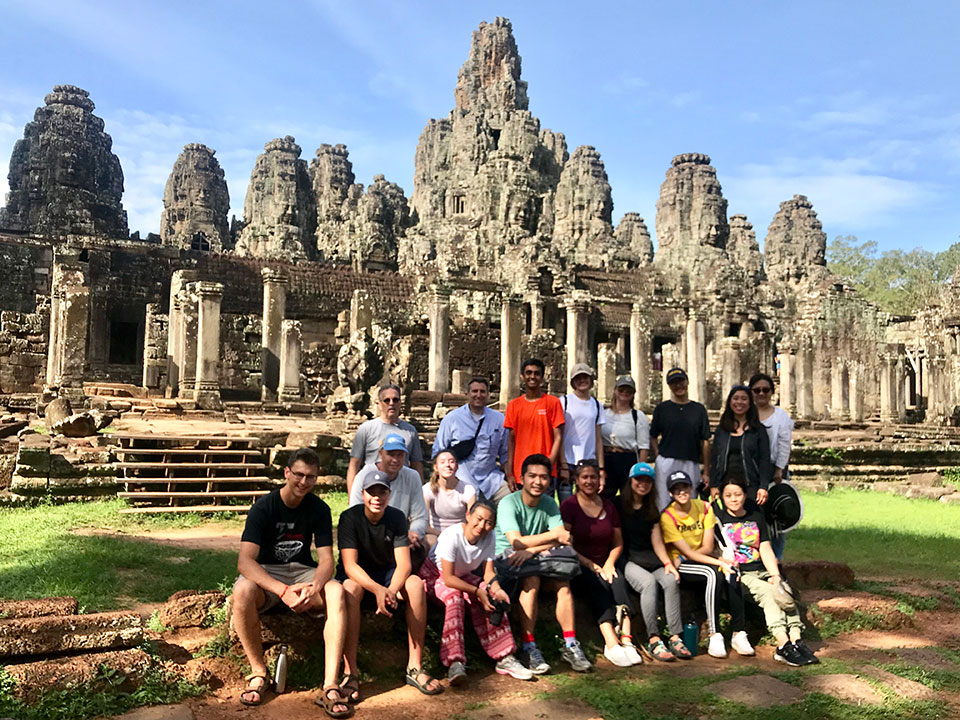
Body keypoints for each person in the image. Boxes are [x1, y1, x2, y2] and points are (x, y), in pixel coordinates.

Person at [232, 448, 351, 717]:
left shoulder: (319, 508)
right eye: (298, 474)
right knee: (242, 590)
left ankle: (331, 684)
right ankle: (258, 672)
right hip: (268, 573)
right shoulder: (264, 507)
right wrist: (282, 590)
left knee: (336, 591)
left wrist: (315, 587)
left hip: (302, 572)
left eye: (310, 477)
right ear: (286, 473)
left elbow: (326, 560)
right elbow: (245, 562)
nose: (303, 482)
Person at [338, 473, 443, 698]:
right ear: (363, 494)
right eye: (372, 492)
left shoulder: (396, 517)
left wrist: (391, 591)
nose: (377, 498)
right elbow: (350, 565)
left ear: (389, 494)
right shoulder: (349, 517)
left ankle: (415, 667)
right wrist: (378, 590)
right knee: (349, 589)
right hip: (359, 577)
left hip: (388, 576)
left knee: (415, 584)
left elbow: (404, 565)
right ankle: (350, 671)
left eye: (382, 492)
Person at [418, 497, 534, 683]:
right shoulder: (452, 535)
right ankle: (454, 662)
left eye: (488, 522)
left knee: (492, 595)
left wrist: (496, 589)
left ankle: (504, 656)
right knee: (455, 596)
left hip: (463, 576)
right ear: (468, 516)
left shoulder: (490, 537)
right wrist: (476, 591)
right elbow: (448, 579)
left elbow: (488, 573)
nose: (482, 526)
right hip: (435, 576)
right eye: (478, 519)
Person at [494, 453, 591, 674]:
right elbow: (516, 542)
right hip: (507, 562)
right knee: (532, 580)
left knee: (563, 583)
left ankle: (570, 644)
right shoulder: (509, 502)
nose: (538, 482)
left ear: (549, 481)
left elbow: (564, 538)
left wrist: (531, 550)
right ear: (522, 478)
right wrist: (550, 537)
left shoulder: (549, 503)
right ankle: (528, 646)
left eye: (544, 477)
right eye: (532, 476)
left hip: (536, 559)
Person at [714, 480, 818, 666]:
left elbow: (765, 548)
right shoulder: (718, 519)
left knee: (783, 591)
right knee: (770, 594)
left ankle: (796, 639)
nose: (733, 499)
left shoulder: (756, 517)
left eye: (738, 494)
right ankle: (782, 644)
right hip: (740, 574)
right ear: (721, 497)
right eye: (728, 495)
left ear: (745, 495)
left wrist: (775, 575)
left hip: (761, 569)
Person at [560, 459, 641, 667]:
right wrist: (590, 565)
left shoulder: (608, 506)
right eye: (584, 477)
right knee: (597, 586)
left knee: (618, 582)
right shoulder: (569, 506)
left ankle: (627, 639)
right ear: (577, 480)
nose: (589, 481)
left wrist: (610, 563)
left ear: (600, 480)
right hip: (579, 565)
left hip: (606, 563)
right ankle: (610, 642)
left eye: (593, 477)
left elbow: (618, 542)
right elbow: (566, 544)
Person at [660, 470, 747, 659]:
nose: (682, 492)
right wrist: (718, 561)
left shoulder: (705, 507)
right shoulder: (668, 516)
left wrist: (720, 561)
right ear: (670, 493)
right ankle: (715, 635)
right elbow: (687, 552)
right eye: (676, 489)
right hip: (680, 563)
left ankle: (738, 632)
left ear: (691, 488)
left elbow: (707, 546)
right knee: (713, 573)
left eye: (685, 487)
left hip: (693, 557)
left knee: (729, 572)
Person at [618, 462, 691, 662]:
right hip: (627, 559)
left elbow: (657, 541)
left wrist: (668, 563)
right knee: (648, 583)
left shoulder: (652, 509)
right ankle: (654, 638)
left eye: (648, 481)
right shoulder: (618, 504)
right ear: (630, 481)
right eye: (639, 479)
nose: (643, 484)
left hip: (650, 559)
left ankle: (675, 637)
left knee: (670, 580)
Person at [432, 376, 511, 505]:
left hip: (491, 479)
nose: (478, 395)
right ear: (467, 394)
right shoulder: (452, 419)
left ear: (488, 395)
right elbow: (439, 451)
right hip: (460, 479)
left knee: (510, 502)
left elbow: (505, 454)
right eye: (474, 391)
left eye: (482, 391)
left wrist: (511, 477)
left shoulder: (499, 419)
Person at [349, 433, 428, 561]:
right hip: (371, 535)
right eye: (391, 454)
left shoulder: (412, 477)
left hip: (401, 536)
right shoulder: (364, 476)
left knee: (428, 543)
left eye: (400, 455)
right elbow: (354, 514)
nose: (395, 460)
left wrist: (413, 534)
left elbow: (420, 516)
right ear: (381, 454)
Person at [649, 368, 711, 511]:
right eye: (674, 383)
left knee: (690, 499)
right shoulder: (662, 409)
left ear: (687, 382)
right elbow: (652, 435)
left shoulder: (698, 409)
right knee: (663, 501)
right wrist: (658, 454)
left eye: (681, 381)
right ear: (669, 386)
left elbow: (705, 440)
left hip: (691, 461)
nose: (678, 386)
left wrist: (706, 471)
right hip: (666, 460)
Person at [346, 383, 423, 494]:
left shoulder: (410, 431)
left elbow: (416, 465)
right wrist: (352, 496)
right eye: (387, 400)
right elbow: (354, 464)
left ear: (400, 403)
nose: (391, 403)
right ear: (379, 404)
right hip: (373, 490)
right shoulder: (366, 429)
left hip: (401, 490)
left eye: (395, 400)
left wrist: (419, 493)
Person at [750, 372, 795, 559]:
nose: (761, 394)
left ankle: (776, 559)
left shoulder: (780, 416)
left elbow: (784, 444)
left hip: (774, 470)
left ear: (772, 392)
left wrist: (779, 469)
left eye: (765, 390)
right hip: (750, 472)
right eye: (757, 390)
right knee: (752, 518)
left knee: (777, 519)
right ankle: (753, 558)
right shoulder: (746, 413)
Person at [503, 358, 564, 493]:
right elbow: (511, 441)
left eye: (537, 373)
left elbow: (558, 437)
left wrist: (548, 465)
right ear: (522, 376)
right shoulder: (513, 405)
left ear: (542, 377)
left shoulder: (553, 403)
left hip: (545, 471)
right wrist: (510, 473)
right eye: (529, 373)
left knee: (544, 506)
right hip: (521, 471)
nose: (532, 377)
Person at [708, 386, 772, 505]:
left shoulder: (758, 430)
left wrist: (763, 486)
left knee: (753, 516)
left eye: (744, 399)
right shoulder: (722, 430)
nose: (739, 402)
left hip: (751, 484)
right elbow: (715, 458)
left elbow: (765, 459)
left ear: (750, 402)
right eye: (736, 398)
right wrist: (714, 485)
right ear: (730, 402)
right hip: (726, 485)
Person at [558, 363, 606, 503]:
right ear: (573, 382)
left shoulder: (597, 405)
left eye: (585, 377)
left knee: (586, 504)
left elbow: (598, 438)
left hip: (588, 460)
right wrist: (563, 463)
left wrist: (601, 467)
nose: (582, 381)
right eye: (578, 378)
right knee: (566, 505)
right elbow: (559, 435)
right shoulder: (564, 402)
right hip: (568, 460)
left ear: (591, 381)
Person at [601, 375, 651, 499]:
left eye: (629, 390)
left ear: (633, 394)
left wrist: (640, 471)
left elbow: (644, 446)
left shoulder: (638, 416)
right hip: (606, 457)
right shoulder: (603, 413)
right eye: (621, 389)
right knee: (604, 498)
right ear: (615, 390)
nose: (625, 392)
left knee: (628, 498)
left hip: (627, 458)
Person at [422, 449, 476, 551]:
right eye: (442, 462)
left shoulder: (468, 490)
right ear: (436, 467)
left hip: (461, 535)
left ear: (457, 467)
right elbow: (424, 525)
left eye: (451, 462)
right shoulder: (427, 489)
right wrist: (444, 535)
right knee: (428, 541)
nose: (447, 465)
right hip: (436, 534)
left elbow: (472, 521)